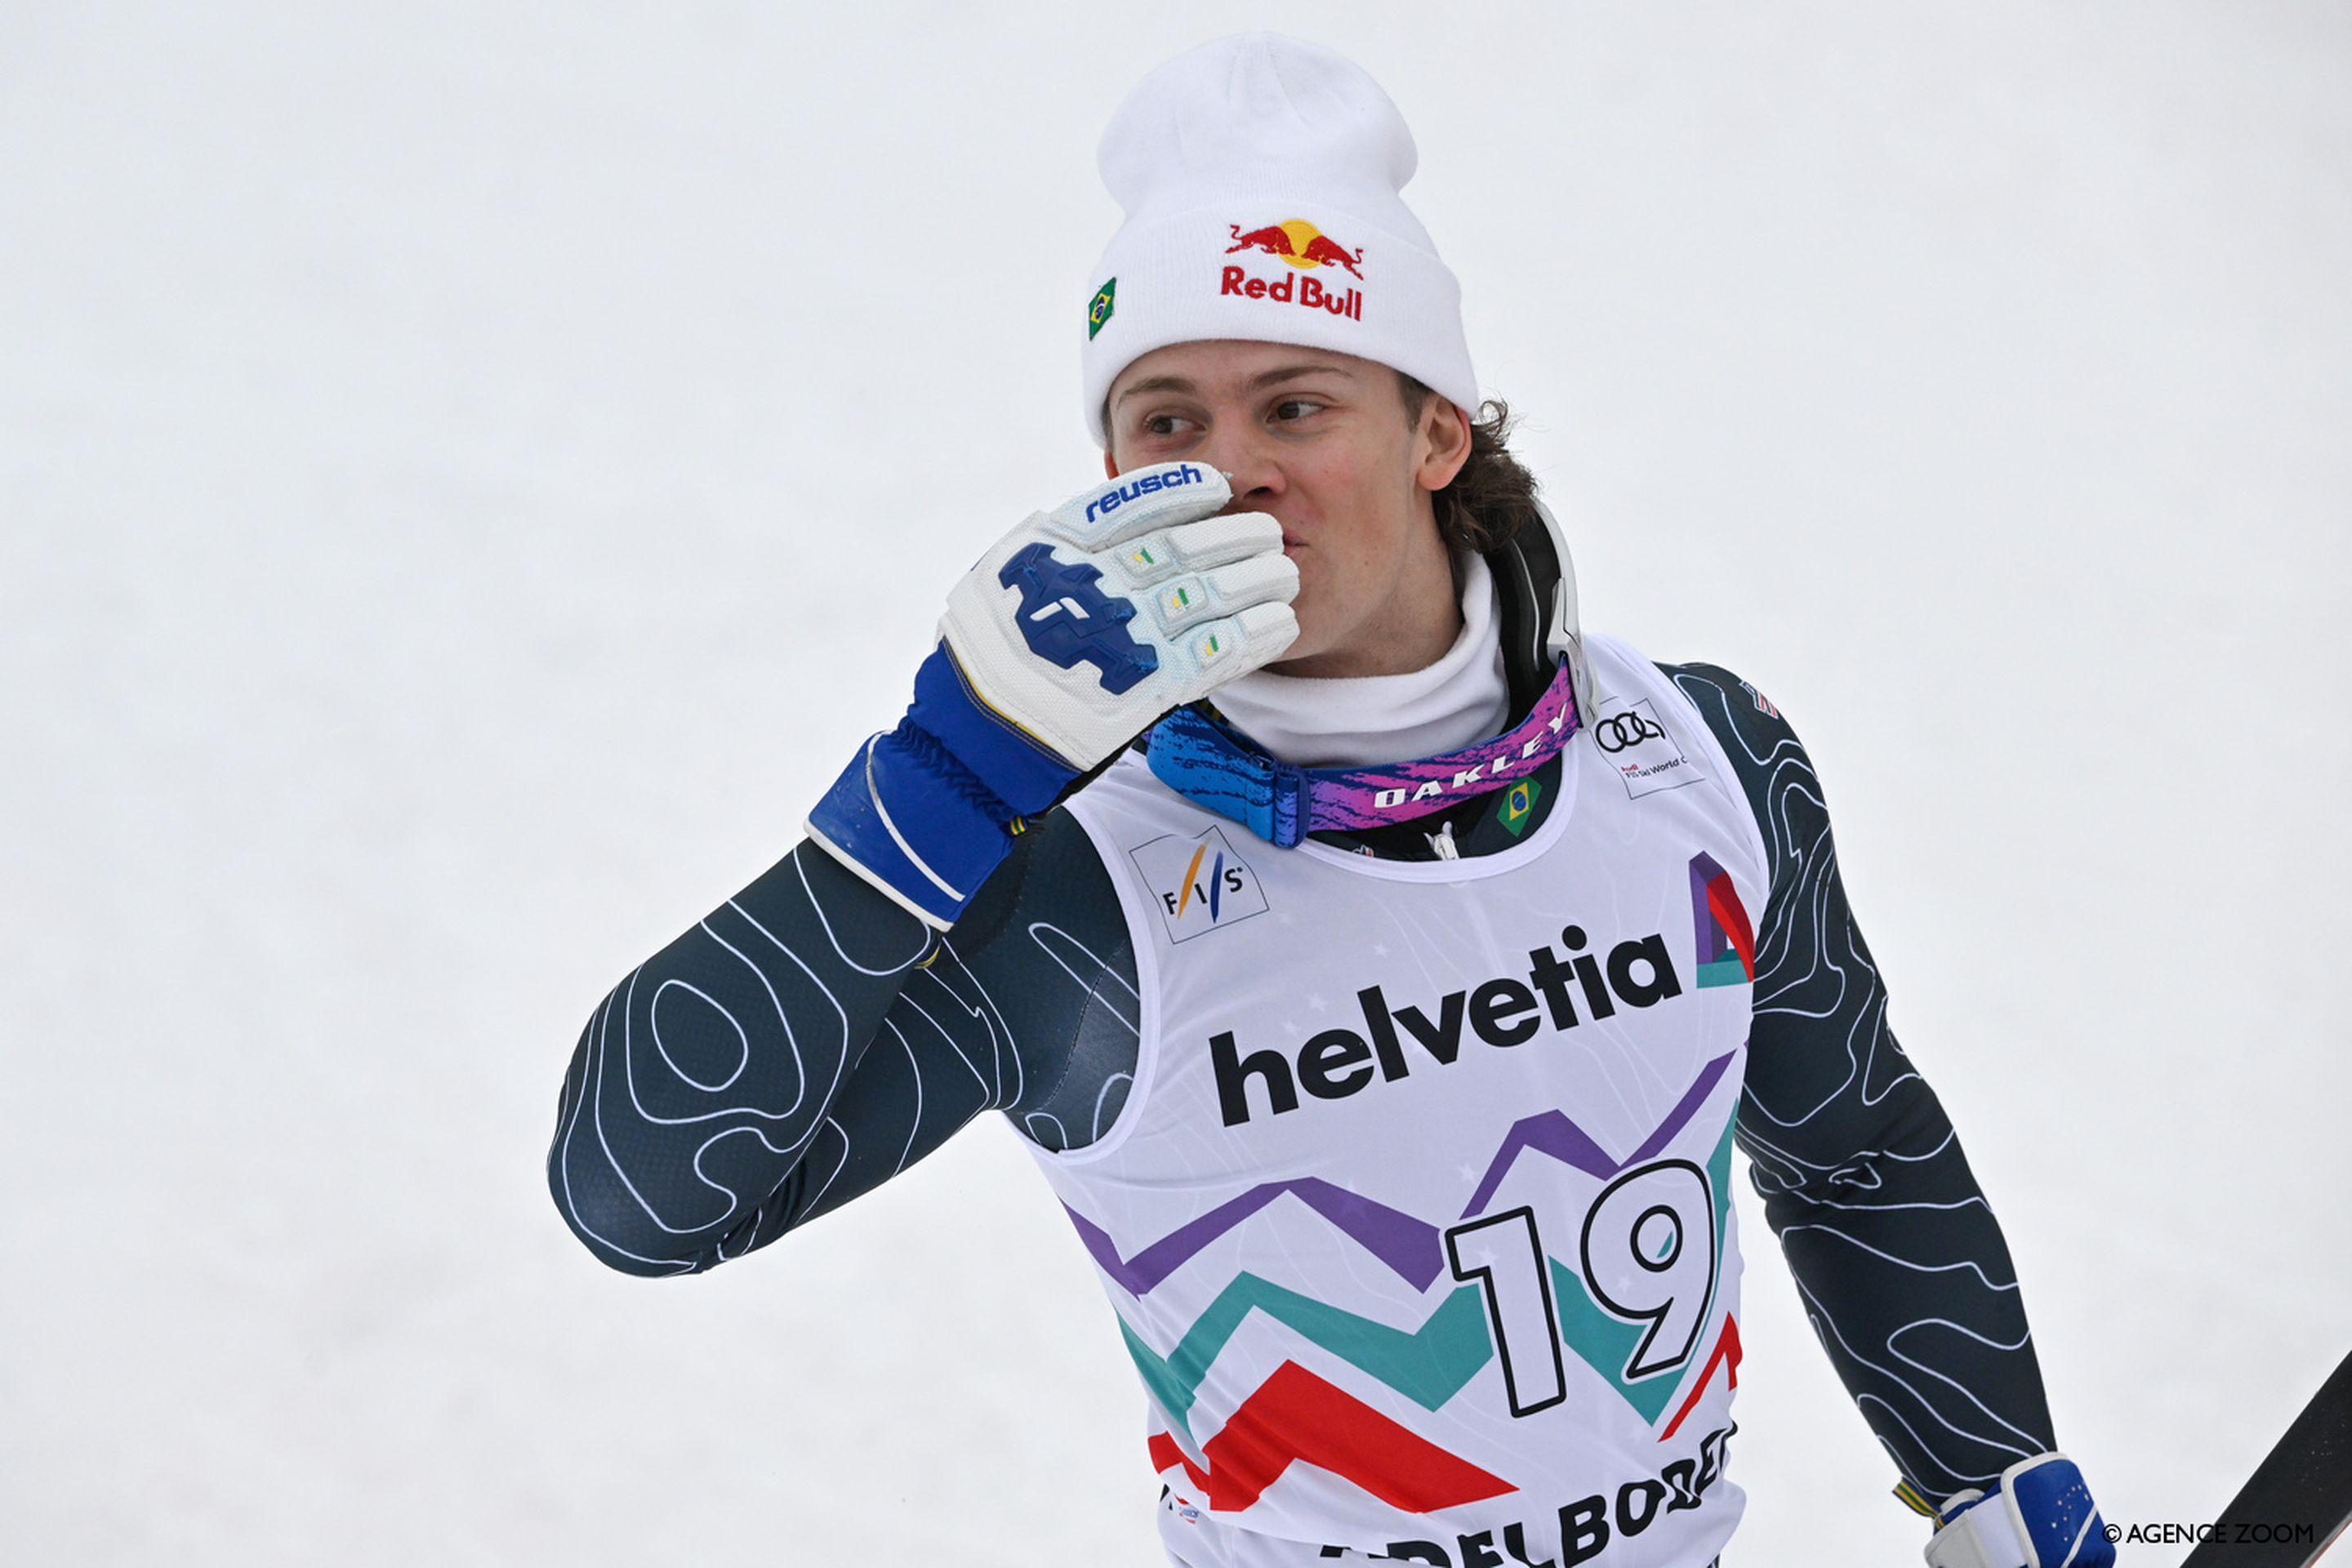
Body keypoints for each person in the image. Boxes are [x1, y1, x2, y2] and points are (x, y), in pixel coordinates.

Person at [549, 33, 2113, 1568]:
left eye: (1295, 406)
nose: (1232, 472)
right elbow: (637, 1198)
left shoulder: (1699, 756)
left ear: (1440, 429)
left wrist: (1991, 1477)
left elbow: (1855, 1151)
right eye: (1168, 421)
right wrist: (937, 787)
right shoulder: (1079, 882)